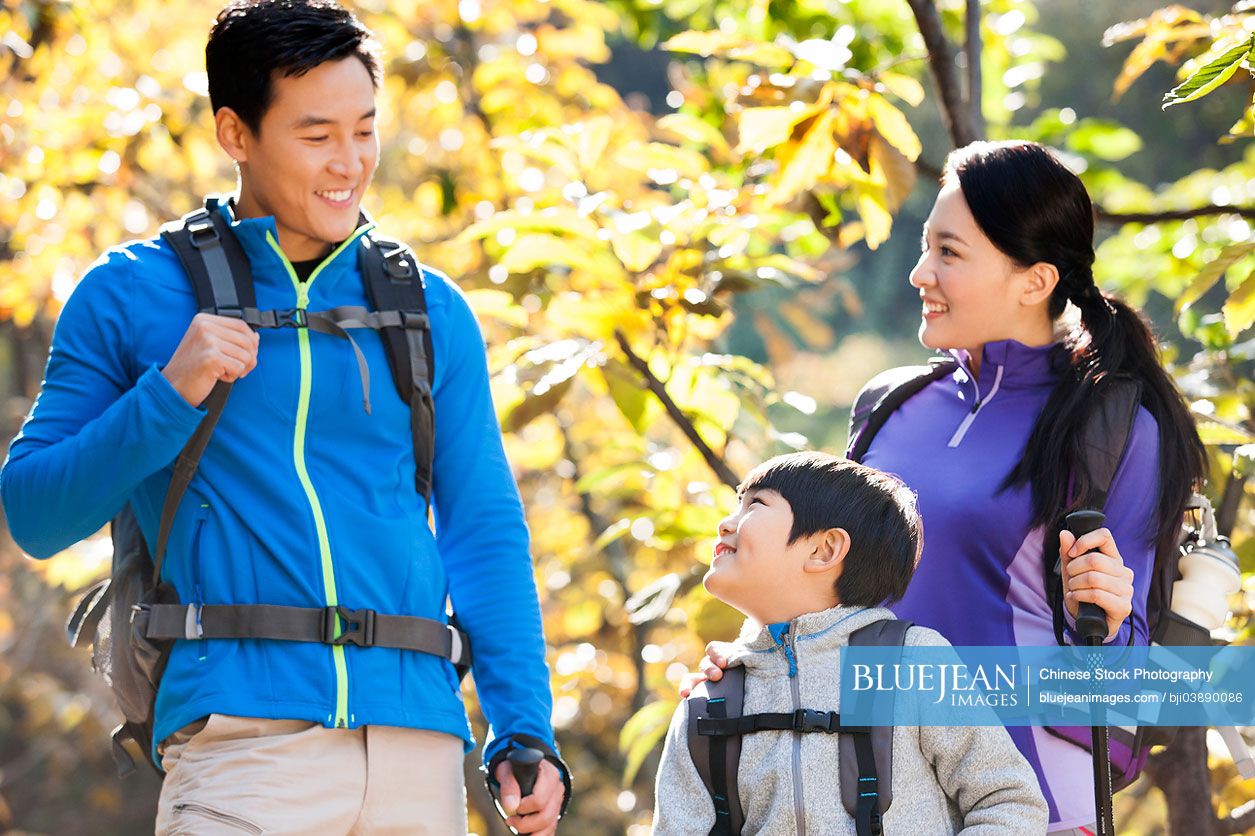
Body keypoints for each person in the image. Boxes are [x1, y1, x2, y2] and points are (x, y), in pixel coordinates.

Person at [0, 2, 568, 833]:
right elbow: (36, 514)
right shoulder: (130, 294)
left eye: (365, 130)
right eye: (317, 136)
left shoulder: (426, 311)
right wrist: (169, 393)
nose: (350, 164)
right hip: (241, 746)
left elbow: (481, 529)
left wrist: (522, 729)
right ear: (236, 133)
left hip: (416, 750)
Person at [691, 140, 1208, 834]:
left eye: (948, 253)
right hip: (870, 794)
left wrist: (1108, 624)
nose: (918, 274)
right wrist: (755, 659)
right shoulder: (888, 406)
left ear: (1034, 280)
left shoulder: (1108, 424)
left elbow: (1118, 672)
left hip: (1029, 799)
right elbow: (825, 591)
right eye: (924, 247)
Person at [653, 452, 1049, 835]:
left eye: (754, 504)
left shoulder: (910, 662)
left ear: (824, 550)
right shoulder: (709, 700)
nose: (725, 523)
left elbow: (1008, 802)